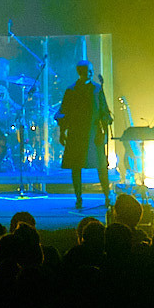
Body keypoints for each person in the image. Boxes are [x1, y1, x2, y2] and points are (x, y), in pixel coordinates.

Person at [55, 62, 112, 211]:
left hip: (94, 133)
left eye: (92, 71)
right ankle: (78, 198)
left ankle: (107, 195)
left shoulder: (97, 89)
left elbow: (104, 110)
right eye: (88, 71)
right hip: (77, 132)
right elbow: (64, 111)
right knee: (76, 167)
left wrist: (104, 131)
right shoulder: (71, 90)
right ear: (80, 72)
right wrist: (62, 131)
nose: (91, 73)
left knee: (101, 166)